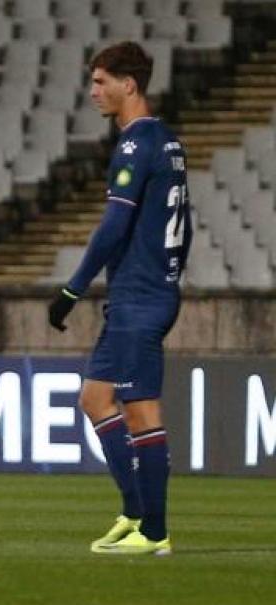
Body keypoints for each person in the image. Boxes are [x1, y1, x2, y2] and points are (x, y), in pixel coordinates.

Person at [47, 41, 191, 556]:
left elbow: (114, 226)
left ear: (129, 85)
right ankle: (134, 512)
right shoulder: (168, 141)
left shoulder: (135, 145)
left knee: (141, 411)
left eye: (101, 81)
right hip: (143, 292)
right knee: (96, 398)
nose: (93, 92)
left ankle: (155, 533)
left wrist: (72, 289)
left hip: (140, 297)